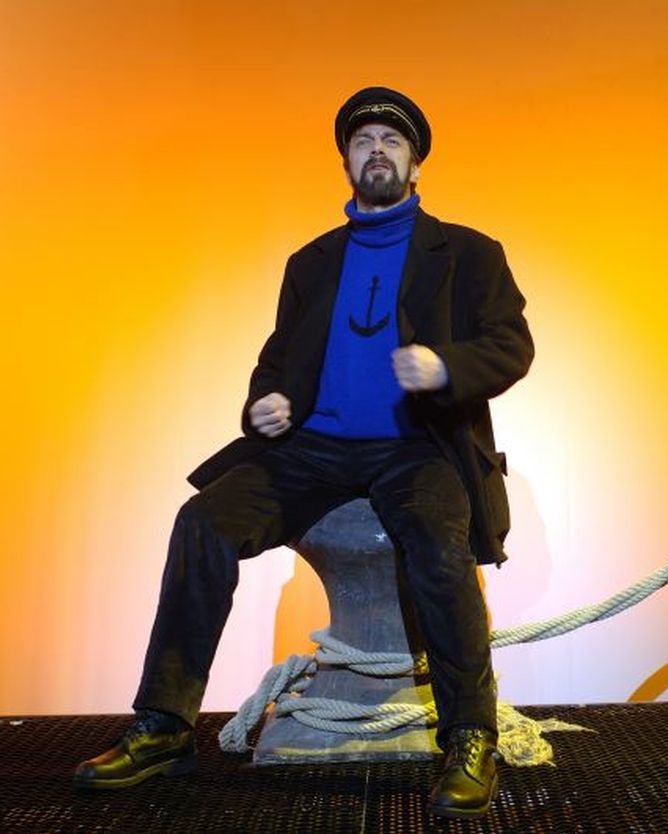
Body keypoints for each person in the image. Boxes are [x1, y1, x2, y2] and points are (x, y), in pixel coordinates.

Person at [73, 86, 534, 819]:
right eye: (362, 141)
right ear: (347, 162)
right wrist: (266, 402)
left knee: (439, 545)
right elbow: (276, 359)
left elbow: (511, 345)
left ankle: (471, 737)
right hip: (313, 448)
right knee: (203, 523)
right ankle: (164, 727)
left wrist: (445, 367)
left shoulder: (469, 253)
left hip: (416, 446)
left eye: (391, 140)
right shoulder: (312, 261)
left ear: (415, 162)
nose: (376, 150)